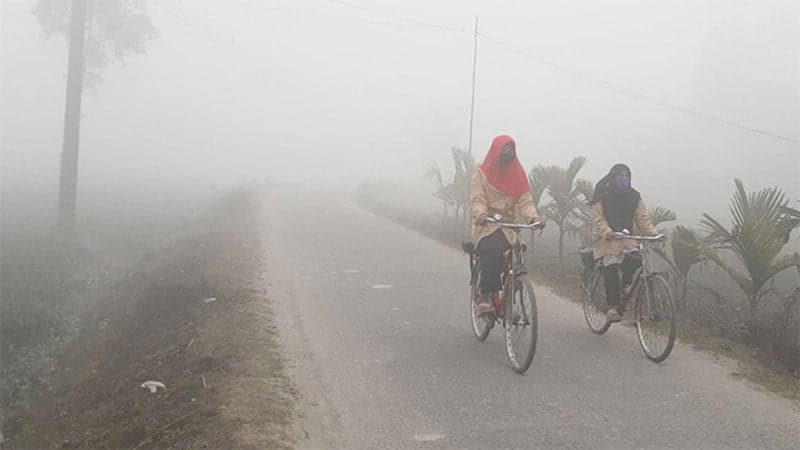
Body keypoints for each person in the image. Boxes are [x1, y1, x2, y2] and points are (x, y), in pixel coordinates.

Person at [469, 135, 543, 316]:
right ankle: (485, 296)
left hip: (509, 228)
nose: (507, 153)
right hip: (487, 225)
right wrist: (481, 213)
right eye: (504, 149)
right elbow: (477, 199)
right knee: (492, 250)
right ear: (495, 151)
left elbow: (525, 202)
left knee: (517, 253)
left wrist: (534, 218)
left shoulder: (517, 174)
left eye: (511, 150)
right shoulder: (481, 174)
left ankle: (510, 294)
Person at [590, 163, 661, 323]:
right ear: (613, 178)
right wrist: (608, 232)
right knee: (612, 266)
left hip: (625, 236)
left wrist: (654, 233)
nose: (624, 179)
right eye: (620, 177)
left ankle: (626, 285)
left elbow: (642, 219)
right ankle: (612, 306)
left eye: (626, 176)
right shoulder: (602, 194)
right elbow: (598, 219)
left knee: (637, 258)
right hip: (605, 237)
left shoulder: (634, 197)